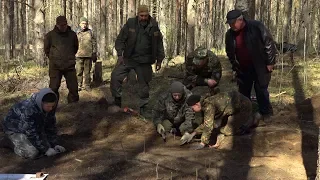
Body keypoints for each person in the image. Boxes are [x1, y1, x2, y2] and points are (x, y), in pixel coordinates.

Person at [111, 5, 165, 116]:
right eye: (141, 15)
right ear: (138, 14)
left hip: (145, 60)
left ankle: (143, 107)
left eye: (146, 15)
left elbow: (159, 44)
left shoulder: (154, 25)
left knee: (144, 85)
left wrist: (159, 60)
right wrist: (120, 55)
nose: (144, 18)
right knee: (115, 76)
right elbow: (120, 40)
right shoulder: (130, 23)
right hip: (129, 58)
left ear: (148, 14)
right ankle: (117, 101)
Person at [225, 10, 276, 122]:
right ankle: (246, 114)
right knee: (244, 92)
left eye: (233, 23)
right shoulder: (229, 35)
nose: (231, 25)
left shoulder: (256, 26)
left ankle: (265, 112)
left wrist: (270, 62)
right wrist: (234, 65)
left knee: (261, 90)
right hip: (242, 68)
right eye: (229, 24)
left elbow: (269, 43)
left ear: (240, 20)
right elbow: (229, 52)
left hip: (260, 65)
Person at [1, 88, 66, 159]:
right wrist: (45, 149)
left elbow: (50, 127)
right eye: (48, 106)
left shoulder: (48, 108)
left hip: (34, 127)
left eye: (52, 106)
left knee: (44, 145)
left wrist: (54, 144)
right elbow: (31, 133)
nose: (50, 109)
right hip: (14, 129)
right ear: (41, 103)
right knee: (32, 153)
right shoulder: (28, 109)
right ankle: (9, 141)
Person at [182, 91, 255, 150]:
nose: (193, 110)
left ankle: (252, 121)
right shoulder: (205, 103)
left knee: (227, 131)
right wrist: (192, 134)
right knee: (219, 127)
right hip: (234, 108)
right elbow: (207, 122)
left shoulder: (208, 106)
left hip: (243, 108)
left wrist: (202, 143)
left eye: (192, 108)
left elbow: (208, 126)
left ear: (197, 104)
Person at [44, 15, 79, 103]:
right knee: (53, 88)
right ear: (57, 25)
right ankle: (52, 107)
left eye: (64, 25)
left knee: (73, 88)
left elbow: (75, 47)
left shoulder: (72, 35)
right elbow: (46, 50)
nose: (63, 27)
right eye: (61, 25)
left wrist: (69, 57)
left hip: (70, 65)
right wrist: (54, 58)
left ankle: (73, 106)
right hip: (55, 66)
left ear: (67, 24)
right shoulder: (50, 35)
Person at [75, 17, 97, 91]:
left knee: (87, 72)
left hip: (88, 55)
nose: (84, 25)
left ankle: (87, 85)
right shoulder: (76, 32)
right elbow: (73, 43)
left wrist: (94, 53)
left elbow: (94, 43)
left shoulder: (91, 32)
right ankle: (78, 85)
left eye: (85, 23)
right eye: (83, 23)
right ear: (80, 24)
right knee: (78, 71)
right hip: (78, 55)